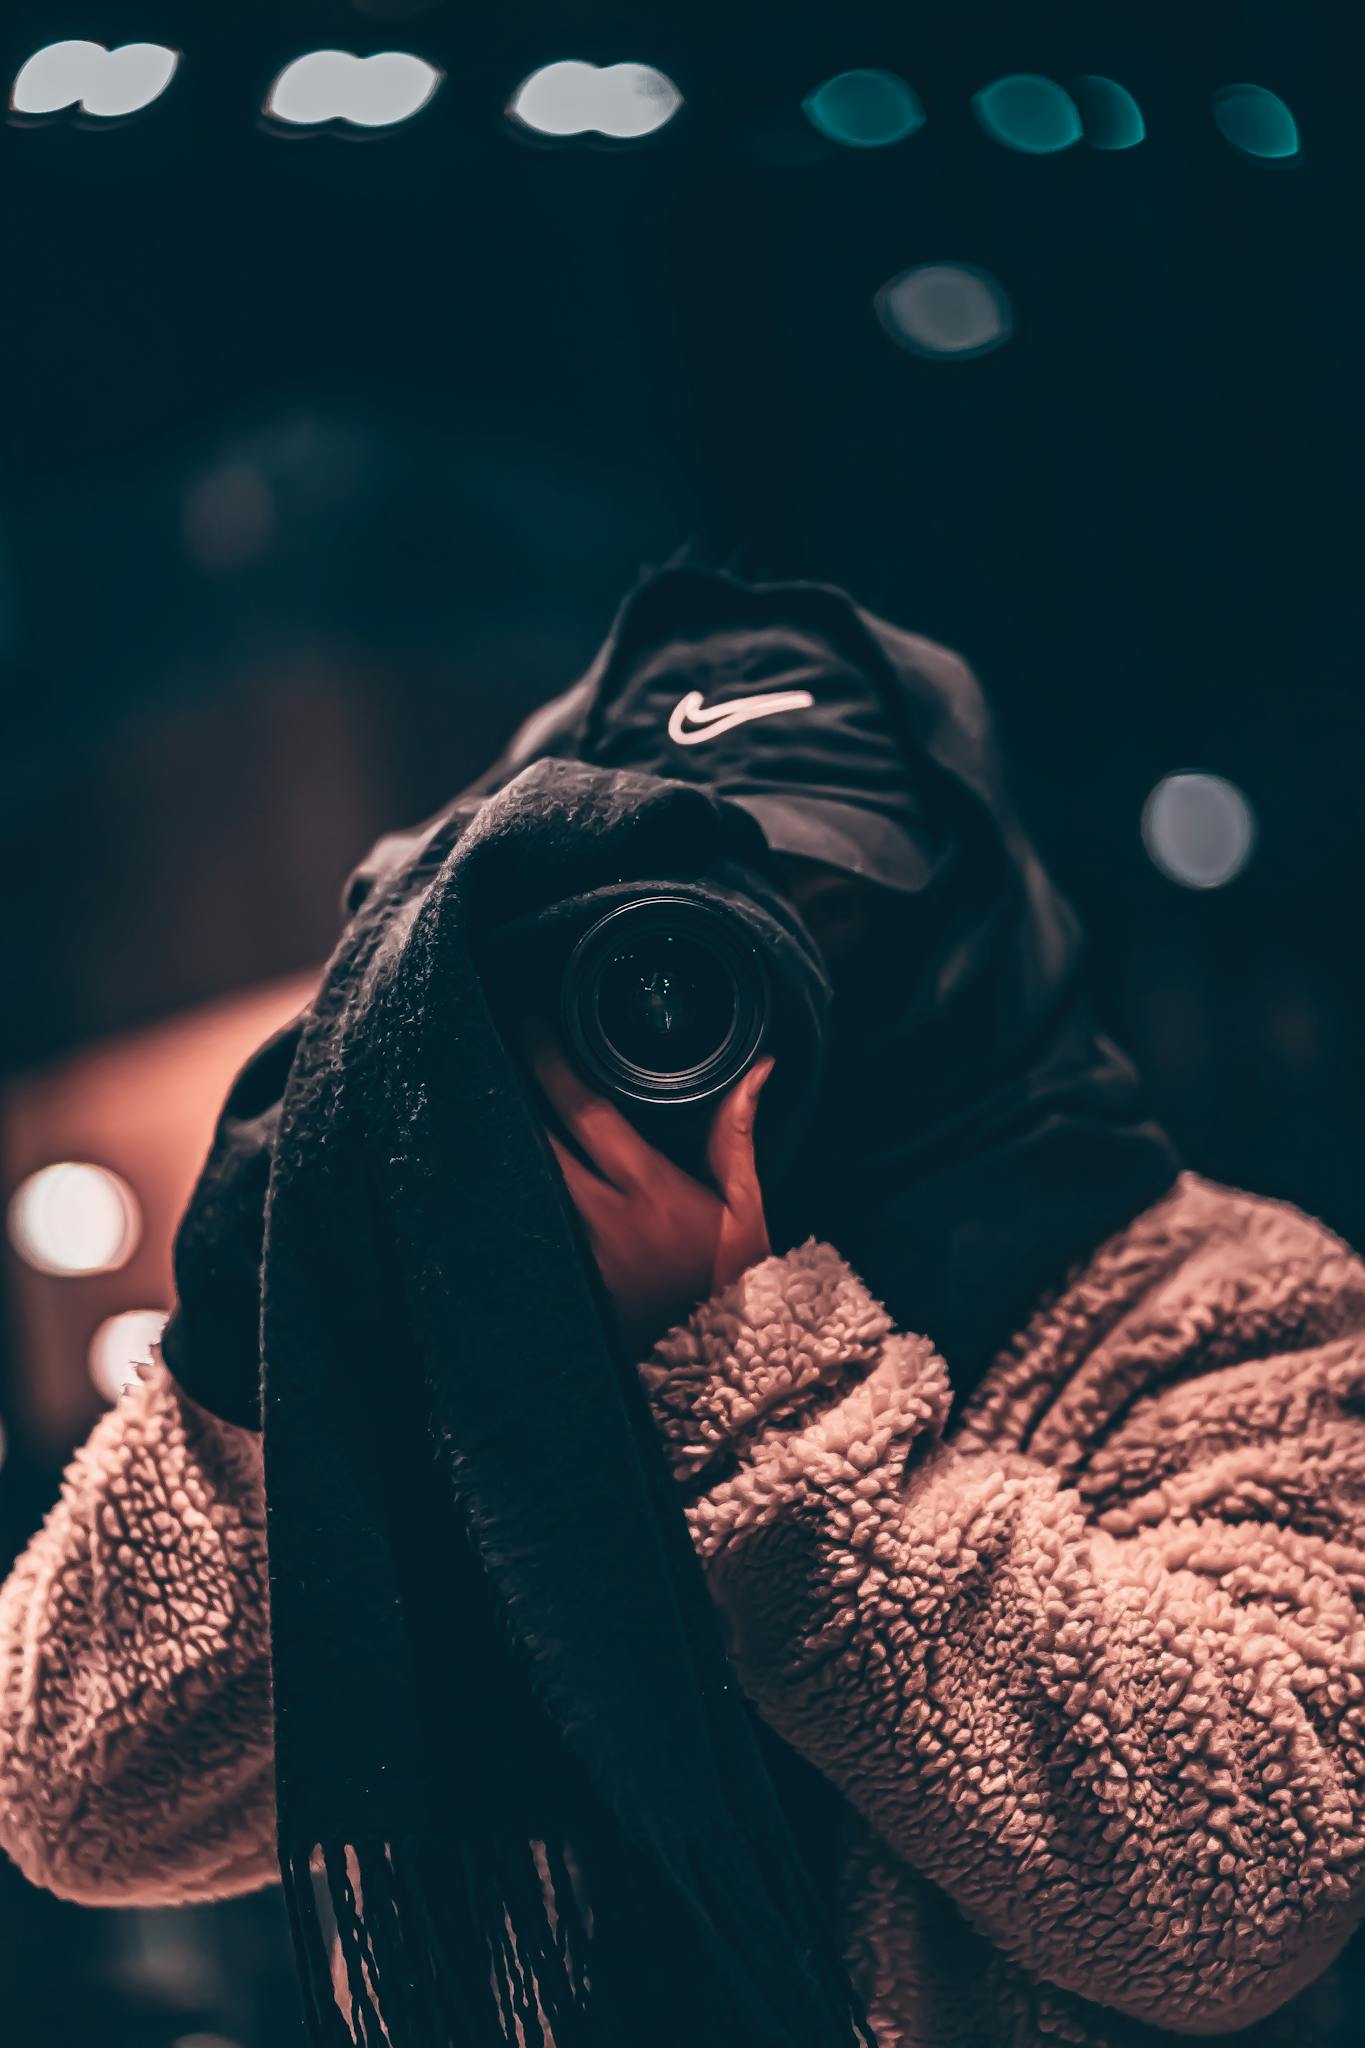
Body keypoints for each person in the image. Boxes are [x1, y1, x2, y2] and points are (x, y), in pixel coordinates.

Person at [4, 564, 1365, 2048]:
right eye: (674, 934)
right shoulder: (490, 1338)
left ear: (971, 920)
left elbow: (1239, 1893)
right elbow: (80, 1801)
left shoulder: (1213, 1294)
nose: (751, 985)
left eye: (828, 904)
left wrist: (745, 1373)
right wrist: (290, 1312)